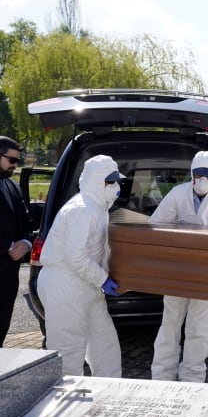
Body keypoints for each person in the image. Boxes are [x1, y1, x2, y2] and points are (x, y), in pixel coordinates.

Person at [149, 151, 208, 382]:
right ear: (191, 173)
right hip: (177, 272)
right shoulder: (176, 195)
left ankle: (192, 378)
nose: (202, 180)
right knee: (170, 323)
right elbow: (154, 227)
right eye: (198, 174)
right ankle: (162, 375)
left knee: (201, 329)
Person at [37, 154, 124, 376]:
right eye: (110, 181)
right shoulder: (82, 209)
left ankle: (108, 391)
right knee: (68, 348)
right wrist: (103, 279)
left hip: (86, 284)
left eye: (116, 181)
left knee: (104, 344)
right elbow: (75, 257)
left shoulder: (97, 207)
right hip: (64, 285)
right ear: (96, 181)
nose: (115, 187)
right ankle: (67, 402)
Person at [0, 136, 33, 347]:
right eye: (12, 160)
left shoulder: (11, 186)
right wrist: (8, 246)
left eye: (17, 161)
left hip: (8, 277)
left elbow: (27, 220)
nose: (15, 166)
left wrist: (26, 243)